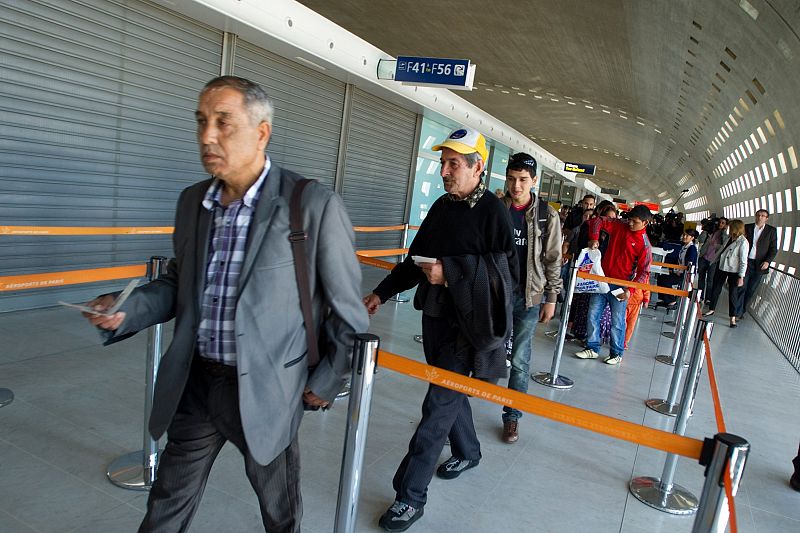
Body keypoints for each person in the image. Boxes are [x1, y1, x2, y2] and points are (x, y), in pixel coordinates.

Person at [81, 76, 368, 532]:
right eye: (200, 121)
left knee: (280, 512)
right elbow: (180, 285)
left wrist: (327, 380)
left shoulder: (310, 204)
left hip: (270, 391)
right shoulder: (193, 202)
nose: (206, 136)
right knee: (166, 506)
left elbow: (349, 312)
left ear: (261, 132)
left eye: (223, 123)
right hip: (196, 383)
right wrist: (125, 309)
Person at [363, 126, 517, 532]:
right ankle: (469, 450)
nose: (445, 170)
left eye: (454, 164)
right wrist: (380, 293)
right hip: (436, 322)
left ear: (477, 168)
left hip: (469, 329)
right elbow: (415, 261)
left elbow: (506, 275)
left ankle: (409, 497)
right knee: (447, 394)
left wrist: (450, 272)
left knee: (437, 406)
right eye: (443, 162)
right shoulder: (442, 207)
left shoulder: (493, 213)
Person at [499, 152, 562, 444]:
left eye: (523, 180)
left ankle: (512, 416)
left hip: (528, 296)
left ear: (534, 181)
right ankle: (454, 414)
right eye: (512, 179)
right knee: (478, 350)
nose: (517, 186)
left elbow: (553, 259)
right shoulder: (497, 208)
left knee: (521, 359)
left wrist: (551, 296)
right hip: (495, 293)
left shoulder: (547, 215)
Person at [574, 204, 652, 365]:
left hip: (620, 287)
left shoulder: (645, 245)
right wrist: (594, 237)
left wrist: (630, 290)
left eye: (635, 222)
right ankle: (592, 348)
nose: (630, 224)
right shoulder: (620, 224)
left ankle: (616, 352)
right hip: (602, 280)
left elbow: (644, 272)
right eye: (629, 220)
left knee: (618, 321)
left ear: (645, 223)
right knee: (593, 314)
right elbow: (596, 221)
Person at [704, 219, 749, 327]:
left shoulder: (743, 242)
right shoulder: (729, 238)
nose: (728, 228)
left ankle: (732, 317)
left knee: (733, 293)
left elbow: (743, 261)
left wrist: (741, 276)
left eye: (730, 227)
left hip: (734, 270)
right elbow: (722, 251)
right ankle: (711, 309)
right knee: (716, 288)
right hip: (722, 266)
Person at [741, 209, 778, 317]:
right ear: (755, 216)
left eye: (763, 216)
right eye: (758, 215)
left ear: (766, 218)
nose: (760, 217)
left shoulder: (771, 231)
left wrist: (767, 261)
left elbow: (773, 249)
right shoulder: (747, 227)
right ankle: (737, 312)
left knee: (751, 288)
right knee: (742, 286)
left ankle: (742, 310)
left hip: (760, 264)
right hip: (746, 261)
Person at [656, 229, 699, 308]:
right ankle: (663, 299)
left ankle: (672, 301)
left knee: (666, 281)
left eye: (687, 235)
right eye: (684, 235)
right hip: (679, 270)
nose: (684, 237)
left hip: (685, 274)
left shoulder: (692, 248)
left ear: (692, 238)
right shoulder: (684, 246)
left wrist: (679, 271)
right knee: (661, 277)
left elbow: (690, 264)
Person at [697, 217, 729, 304]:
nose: (720, 224)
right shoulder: (710, 232)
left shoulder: (725, 235)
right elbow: (700, 240)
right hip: (704, 257)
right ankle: (699, 296)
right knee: (701, 278)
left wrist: (723, 232)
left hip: (714, 260)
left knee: (710, 280)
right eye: (719, 222)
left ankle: (708, 298)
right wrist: (705, 230)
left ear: (726, 225)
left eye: (723, 223)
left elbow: (724, 245)